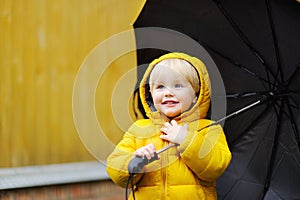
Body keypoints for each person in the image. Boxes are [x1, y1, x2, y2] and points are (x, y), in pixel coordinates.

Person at [106, 52, 232, 200]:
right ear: (150, 94)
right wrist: (134, 162)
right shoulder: (139, 129)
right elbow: (115, 169)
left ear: (195, 95)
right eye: (160, 87)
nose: (168, 93)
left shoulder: (208, 129)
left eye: (178, 85)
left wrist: (186, 140)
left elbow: (215, 166)